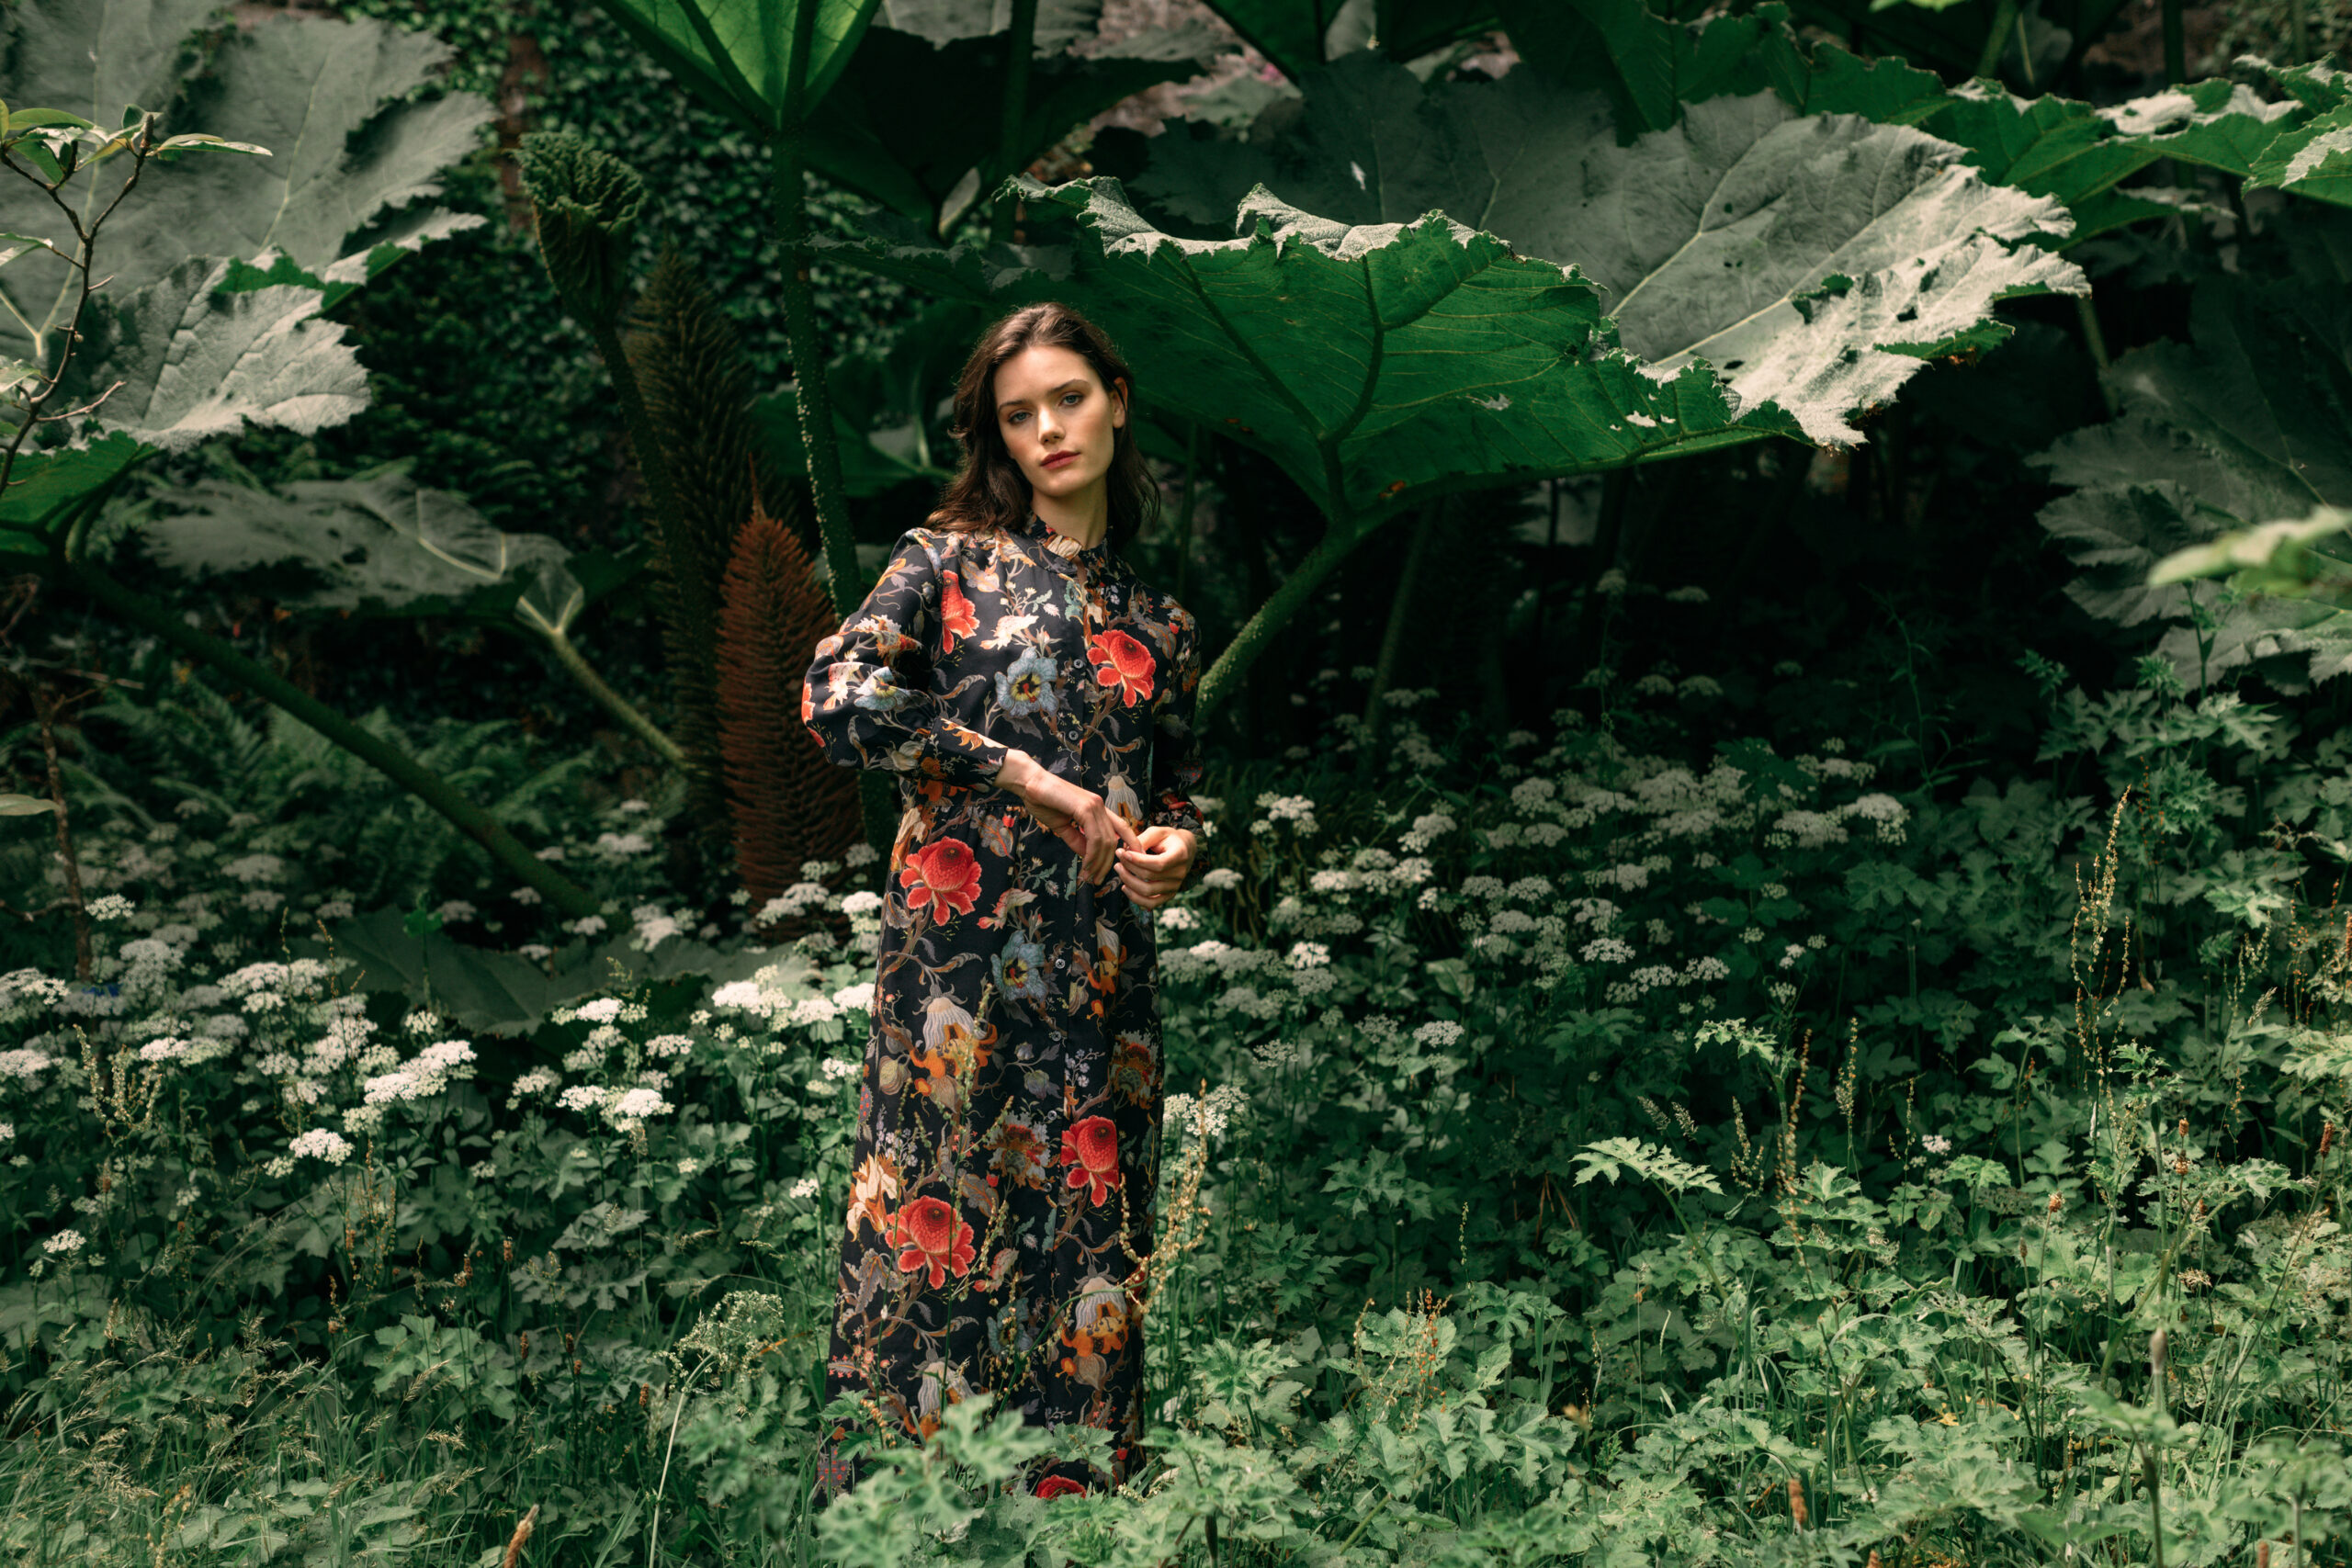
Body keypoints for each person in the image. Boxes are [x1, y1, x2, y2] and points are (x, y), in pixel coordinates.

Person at [800, 300, 1206, 1500]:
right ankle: (902, 1518)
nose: (1048, 431)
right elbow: (838, 695)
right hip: (955, 969)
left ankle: (1074, 1512)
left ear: (1117, 400)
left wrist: (1178, 847)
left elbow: (1174, 791)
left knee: (1086, 1244)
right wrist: (1025, 778)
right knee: (933, 1225)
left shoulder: (1163, 625)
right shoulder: (946, 566)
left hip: (1099, 973)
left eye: (1069, 400)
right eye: (1019, 415)